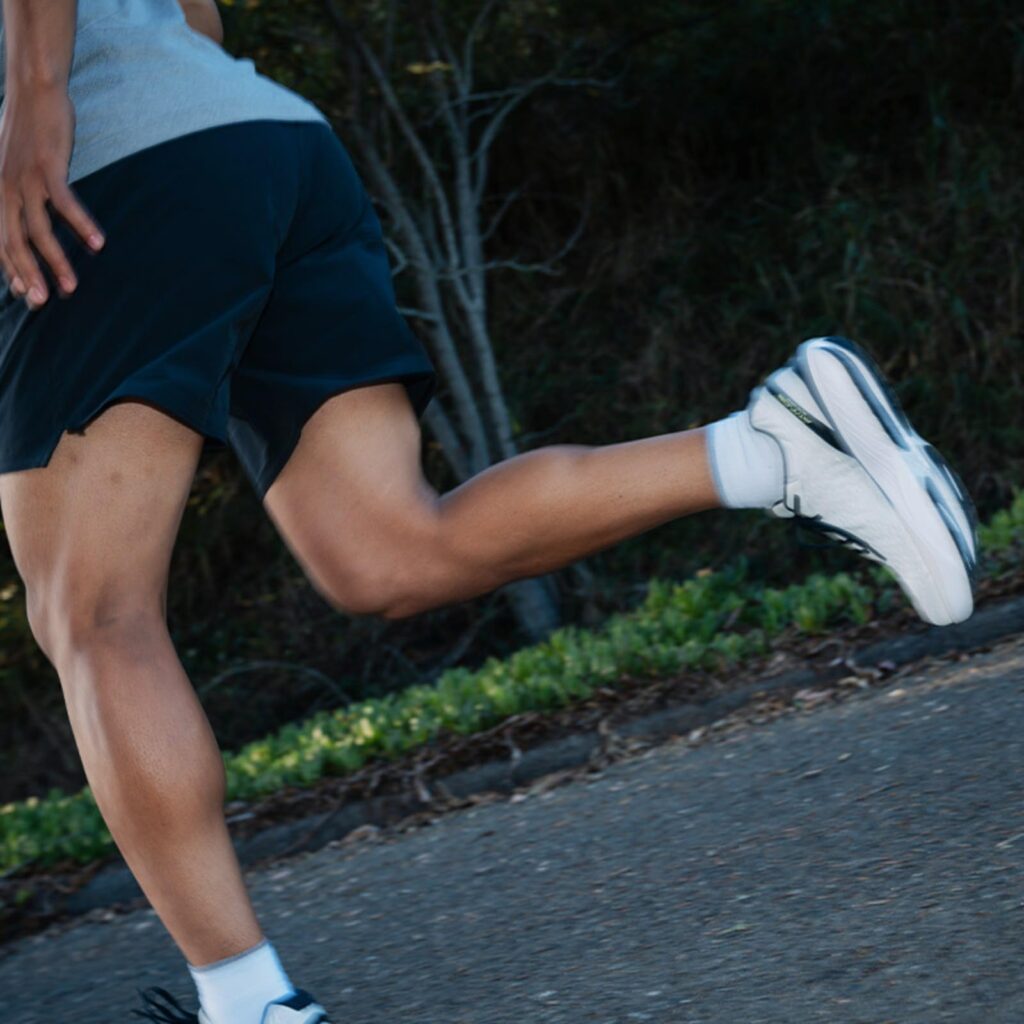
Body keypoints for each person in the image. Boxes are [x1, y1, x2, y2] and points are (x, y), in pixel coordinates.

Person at [0, 1, 978, 1022]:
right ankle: (775, 447)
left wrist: (35, 99)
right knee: (388, 549)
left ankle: (249, 1006)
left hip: (93, 162)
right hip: (261, 140)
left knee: (95, 612)